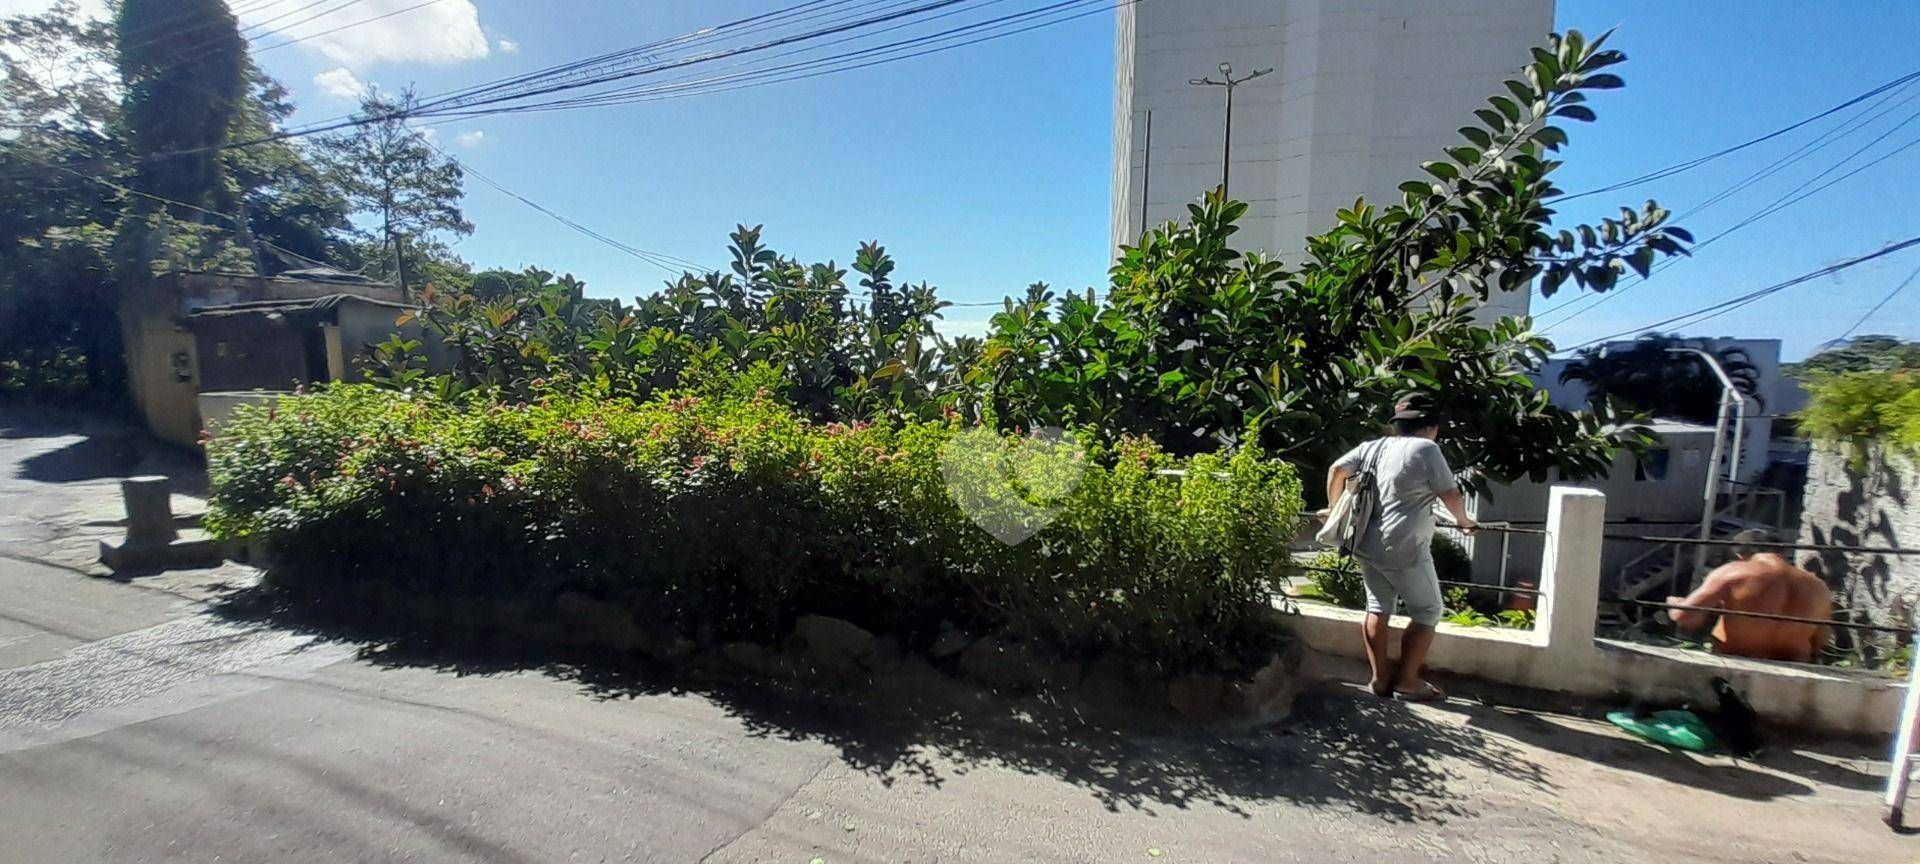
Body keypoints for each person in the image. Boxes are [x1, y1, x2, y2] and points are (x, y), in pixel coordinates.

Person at [1325, 393, 1476, 702]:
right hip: (1405, 547)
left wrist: (1332, 507)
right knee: (1428, 610)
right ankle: (1408, 682)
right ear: (1431, 427)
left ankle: (1380, 680)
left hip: (1366, 542)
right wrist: (1464, 521)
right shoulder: (1426, 448)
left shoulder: (1373, 447)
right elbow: (1450, 493)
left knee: (1377, 607)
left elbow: (1336, 470)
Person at [1667, 551, 1832, 663]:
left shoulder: (1735, 572)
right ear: (1780, 554)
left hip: (1734, 666)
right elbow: (1821, 641)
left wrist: (1675, 603)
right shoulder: (1818, 587)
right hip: (1795, 672)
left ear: (1742, 556)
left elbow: (1685, 617)